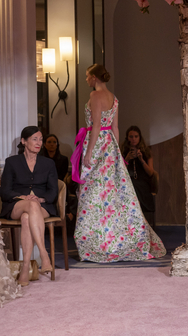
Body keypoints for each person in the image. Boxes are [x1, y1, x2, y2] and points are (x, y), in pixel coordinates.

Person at [72, 64, 166, 262]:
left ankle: (95, 243)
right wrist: (116, 154)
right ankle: (114, 240)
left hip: (97, 145)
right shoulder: (114, 98)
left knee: (93, 194)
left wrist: (89, 153)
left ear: (95, 78)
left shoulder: (95, 96)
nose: (87, 80)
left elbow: (96, 124)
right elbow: (115, 128)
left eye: (88, 76)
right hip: (109, 147)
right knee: (112, 195)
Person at [0, 126, 58, 286]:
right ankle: (44, 254)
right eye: (35, 139)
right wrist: (23, 197)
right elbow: (5, 191)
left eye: (40, 139)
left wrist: (40, 199)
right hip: (16, 205)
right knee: (29, 207)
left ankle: (25, 267)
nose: (39, 142)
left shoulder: (48, 163)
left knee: (27, 217)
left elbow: (53, 191)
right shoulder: (12, 162)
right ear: (24, 141)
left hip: (42, 206)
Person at [121, 126, 156, 227]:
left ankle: (137, 219)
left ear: (140, 137)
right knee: (130, 186)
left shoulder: (146, 151)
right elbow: (120, 172)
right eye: (131, 136)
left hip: (142, 182)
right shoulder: (123, 150)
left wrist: (142, 160)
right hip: (128, 181)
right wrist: (126, 160)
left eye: (136, 136)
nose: (133, 139)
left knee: (135, 186)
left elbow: (151, 173)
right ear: (127, 138)